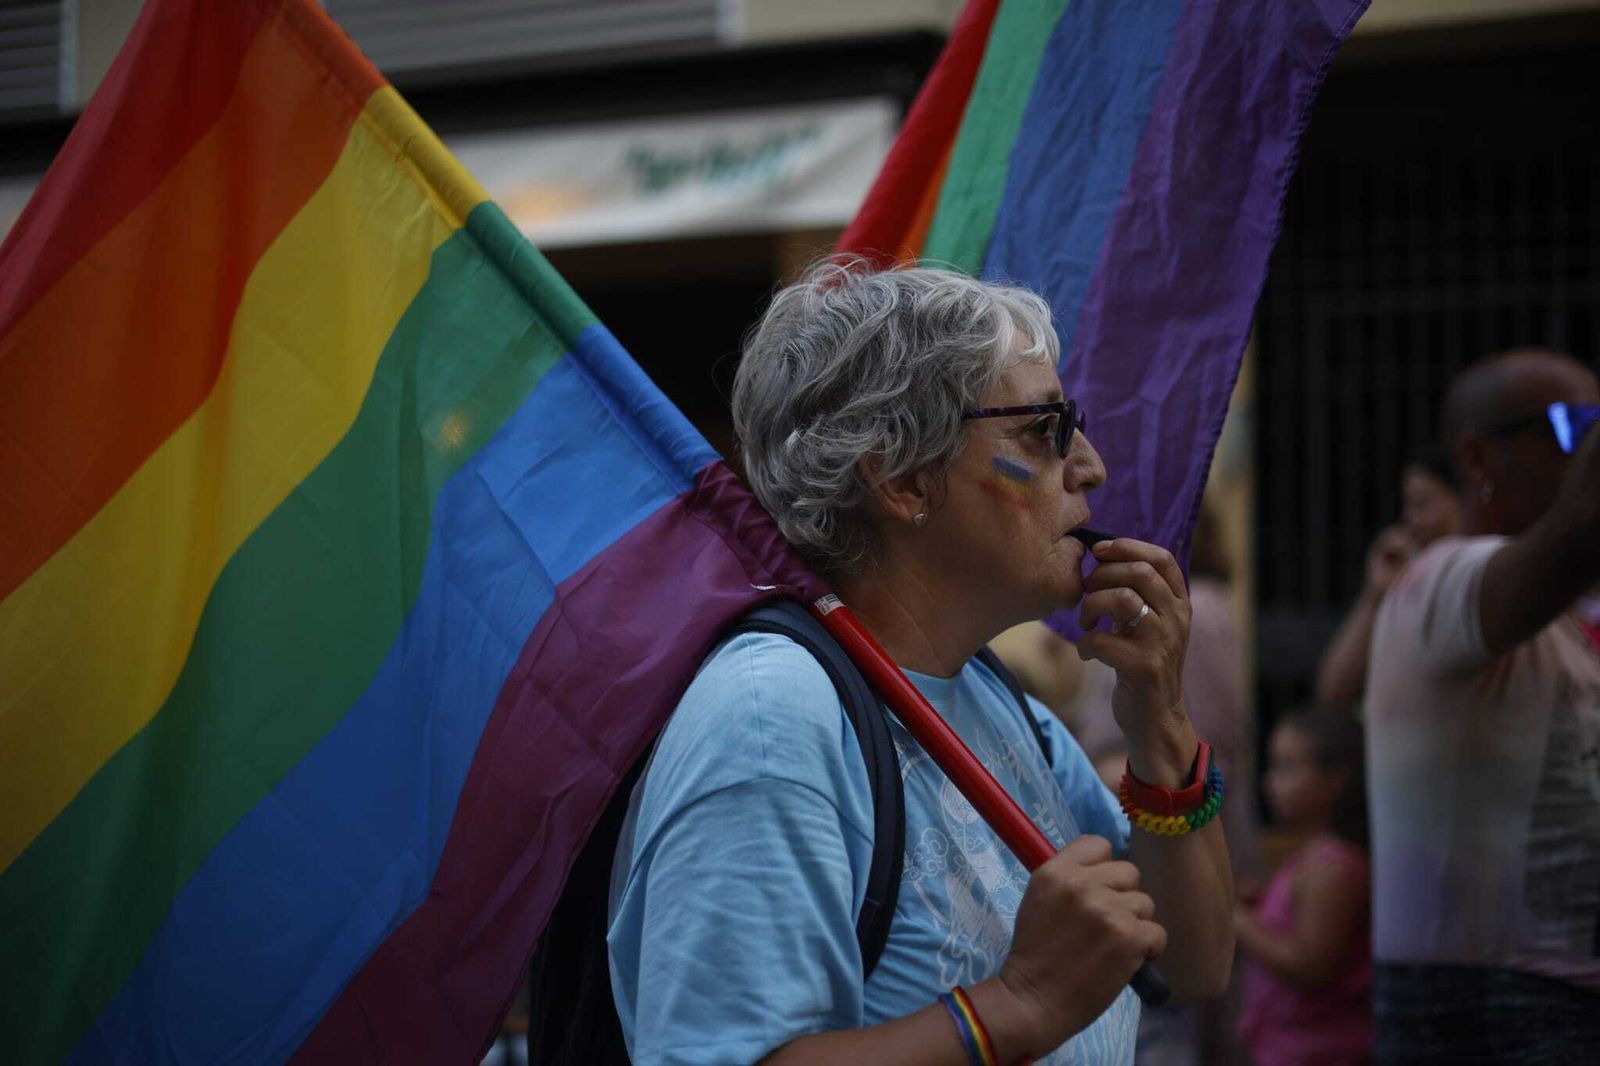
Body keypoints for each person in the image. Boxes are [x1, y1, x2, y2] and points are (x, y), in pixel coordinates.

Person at [606, 261, 1235, 1066]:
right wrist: (1016, 1006)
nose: (1089, 466)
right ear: (902, 478)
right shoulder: (770, 717)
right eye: (1043, 431)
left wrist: (1163, 727)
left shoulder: (998, 700)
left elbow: (1189, 965)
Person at [1365, 349, 1600, 1064]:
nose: (1588, 447)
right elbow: (1580, 535)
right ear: (1477, 456)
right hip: (1486, 1007)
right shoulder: (1439, 580)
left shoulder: (1573, 613)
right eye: (1572, 425)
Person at [1236, 710, 1372, 1066]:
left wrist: (1241, 922)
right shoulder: (1313, 857)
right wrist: (1263, 906)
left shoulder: (1331, 869)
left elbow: (1311, 967)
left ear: (1335, 780)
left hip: (1318, 1051)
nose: (1270, 781)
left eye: (1287, 768)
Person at [1314, 449, 1460, 710]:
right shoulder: (1405, 584)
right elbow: (1333, 691)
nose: (1410, 520)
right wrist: (1375, 595)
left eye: (1422, 505)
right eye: (1408, 507)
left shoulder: (1478, 580)